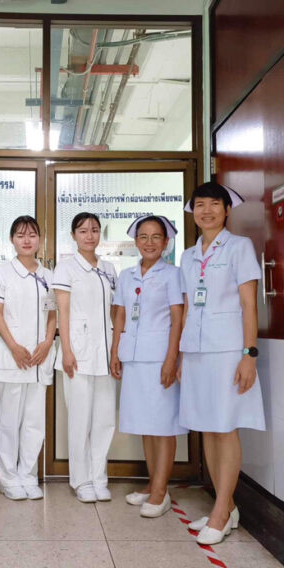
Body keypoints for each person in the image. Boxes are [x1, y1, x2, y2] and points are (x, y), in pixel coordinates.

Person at [177, 182, 266, 545]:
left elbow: (249, 304)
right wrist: (183, 354)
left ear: (227, 210)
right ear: (192, 211)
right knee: (207, 427)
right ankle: (224, 506)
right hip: (196, 352)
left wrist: (249, 354)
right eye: (200, 205)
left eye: (215, 204)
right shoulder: (188, 255)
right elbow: (187, 308)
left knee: (225, 427)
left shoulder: (240, 247)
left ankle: (221, 511)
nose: (207, 211)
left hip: (229, 351)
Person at [110, 215, 186, 518]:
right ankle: (154, 483)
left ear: (166, 243)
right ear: (136, 242)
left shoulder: (173, 275)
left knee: (163, 425)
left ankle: (160, 491)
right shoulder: (126, 275)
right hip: (134, 356)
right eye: (143, 237)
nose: (150, 242)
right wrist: (115, 350)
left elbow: (178, 318)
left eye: (156, 237)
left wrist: (172, 358)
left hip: (159, 357)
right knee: (145, 423)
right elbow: (120, 315)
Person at [0, 216, 56, 501]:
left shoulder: (49, 275)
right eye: (20, 235)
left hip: (40, 357)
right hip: (12, 355)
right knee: (8, 420)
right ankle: (9, 478)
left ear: (40, 239)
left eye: (32, 235)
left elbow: (54, 313)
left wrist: (47, 342)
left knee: (34, 421)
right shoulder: (1, 273)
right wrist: (14, 346)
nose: (26, 240)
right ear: (12, 239)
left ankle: (28, 475)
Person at [53, 212, 117, 503]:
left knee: (104, 418)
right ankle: (80, 480)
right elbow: (62, 312)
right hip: (76, 352)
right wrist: (66, 349)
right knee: (80, 417)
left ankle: (99, 477)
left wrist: (116, 348)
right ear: (73, 235)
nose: (89, 235)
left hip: (104, 353)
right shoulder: (65, 269)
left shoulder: (109, 268)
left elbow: (114, 312)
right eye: (83, 230)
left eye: (94, 230)